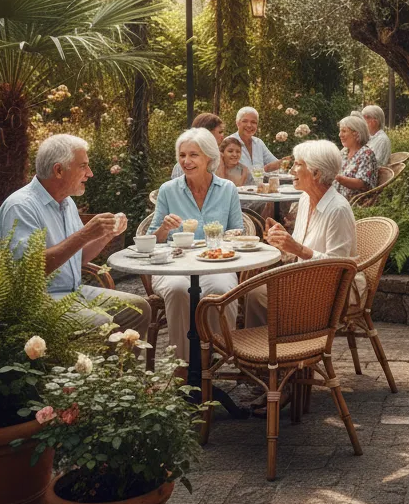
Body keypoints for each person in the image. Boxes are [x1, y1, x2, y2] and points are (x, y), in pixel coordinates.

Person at [0, 134, 150, 336]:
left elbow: (80, 258)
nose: (90, 173)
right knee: (100, 321)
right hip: (38, 302)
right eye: (83, 166)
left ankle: (118, 368)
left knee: (138, 309)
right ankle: (96, 367)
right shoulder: (20, 207)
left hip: (74, 292)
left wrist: (105, 235)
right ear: (59, 170)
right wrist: (85, 234)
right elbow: (28, 271)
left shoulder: (66, 203)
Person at [149, 129, 245, 368]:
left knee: (221, 289)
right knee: (180, 289)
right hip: (174, 265)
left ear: (209, 158)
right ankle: (181, 366)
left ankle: (215, 358)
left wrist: (231, 239)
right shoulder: (168, 190)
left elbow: (238, 231)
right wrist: (163, 227)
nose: (186, 161)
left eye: (194, 155)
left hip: (216, 263)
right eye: (182, 155)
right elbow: (153, 239)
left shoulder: (228, 189)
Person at [245, 140, 365, 326]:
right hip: (305, 280)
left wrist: (298, 248)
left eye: (298, 164)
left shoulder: (337, 209)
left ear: (316, 173)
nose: (291, 170)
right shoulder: (304, 199)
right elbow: (299, 252)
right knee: (252, 290)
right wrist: (283, 240)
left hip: (333, 290)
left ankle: (276, 349)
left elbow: (338, 266)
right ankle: (273, 348)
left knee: (256, 296)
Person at [336, 114, 379, 200]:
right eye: (340, 131)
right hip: (336, 200)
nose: (339, 135)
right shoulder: (344, 153)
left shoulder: (366, 154)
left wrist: (337, 178)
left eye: (344, 131)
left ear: (356, 134)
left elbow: (362, 184)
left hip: (353, 204)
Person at [225, 107, 280, 174]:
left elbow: (274, 164)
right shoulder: (229, 142)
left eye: (253, 122)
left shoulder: (258, 143)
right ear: (237, 123)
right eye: (245, 121)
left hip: (260, 184)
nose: (249, 125)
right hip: (237, 184)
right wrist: (264, 170)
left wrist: (288, 161)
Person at [171, 112, 224, 178]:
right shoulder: (183, 167)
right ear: (208, 133)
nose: (222, 135)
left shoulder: (224, 157)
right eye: (220, 132)